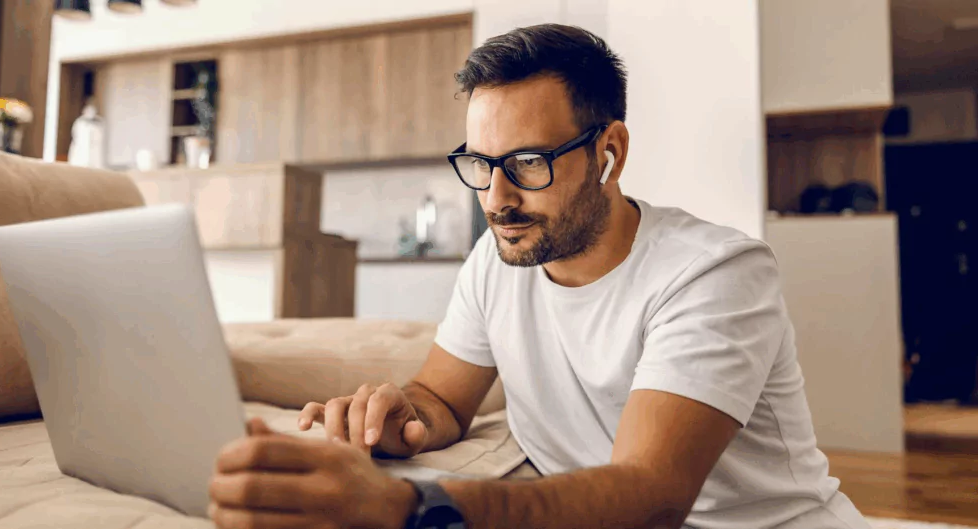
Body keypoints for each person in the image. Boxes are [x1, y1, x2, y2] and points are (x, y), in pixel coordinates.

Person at [207, 24, 870, 529]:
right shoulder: (499, 259)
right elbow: (441, 395)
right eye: (480, 163)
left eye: (526, 161)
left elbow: (652, 492)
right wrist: (397, 416)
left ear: (608, 152)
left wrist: (411, 504)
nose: (496, 197)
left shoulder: (714, 273)